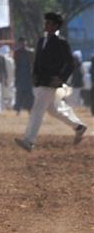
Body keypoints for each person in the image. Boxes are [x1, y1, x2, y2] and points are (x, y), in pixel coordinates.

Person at [15, 12, 87, 151]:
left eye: (48, 23)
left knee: (37, 110)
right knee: (54, 110)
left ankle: (29, 141)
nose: (45, 25)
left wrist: (60, 78)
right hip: (40, 81)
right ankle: (79, 126)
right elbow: (37, 60)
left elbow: (70, 63)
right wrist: (34, 75)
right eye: (46, 22)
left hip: (50, 82)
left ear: (55, 25)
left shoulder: (61, 42)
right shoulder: (42, 40)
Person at [13, 37, 34, 113]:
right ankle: (18, 109)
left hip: (28, 75)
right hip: (20, 75)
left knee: (29, 93)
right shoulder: (17, 52)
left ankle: (29, 108)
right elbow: (15, 64)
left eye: (23, 43)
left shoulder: (30, 52)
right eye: (21, 43)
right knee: (19, 93)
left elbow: (32, 64)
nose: (22, 44)